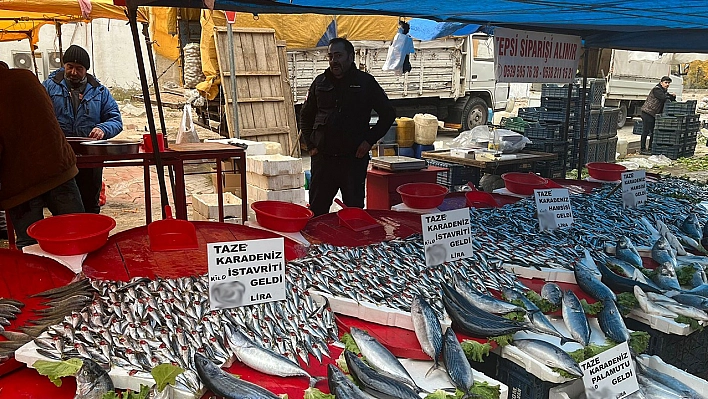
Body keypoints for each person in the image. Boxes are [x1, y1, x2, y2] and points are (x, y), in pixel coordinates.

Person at [300, 38, 396, 216]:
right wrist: (311, 146)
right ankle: (318, 244)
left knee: (354, 213)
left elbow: (388, 114)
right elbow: (305, 116)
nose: (333, 61)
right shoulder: (320, 83)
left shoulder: (365, 82)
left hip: (352, 161)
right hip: (324, 161)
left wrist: (369, 141)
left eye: (338, 55)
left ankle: (352, 244)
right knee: (317, 213)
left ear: (350, 57)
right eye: (330, 56)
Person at [0, 63, 85, 249]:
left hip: (21, 184)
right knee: (78, 236)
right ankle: (85, 277)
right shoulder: (26, 77)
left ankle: (43, 278)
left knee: (31, 246)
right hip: (59, 169)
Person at [43, 45, 123, 213]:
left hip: (90, 156)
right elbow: (37, 117)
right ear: (64, 66)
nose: (73, 72)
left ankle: (92, 235)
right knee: (63, 205)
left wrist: (103, 128)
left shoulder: (99, 92)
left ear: (86, 70)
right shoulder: (48, 88)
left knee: (90, 204)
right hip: (60, 156)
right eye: (69, 67)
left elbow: (115, 120)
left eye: (79, 68)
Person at [640, 75, 676, 154]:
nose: (667, 84)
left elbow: (668, 97)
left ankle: (650, 148)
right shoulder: (657, 89)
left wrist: (672, 96)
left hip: (654, 114)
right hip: (647, 112)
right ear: (661, 83)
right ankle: (642, 149)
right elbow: (663, 98)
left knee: (653, 131)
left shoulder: (664, 91)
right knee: (646, 131)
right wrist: (670, 96)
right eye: (666, 82)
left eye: (669, 83)